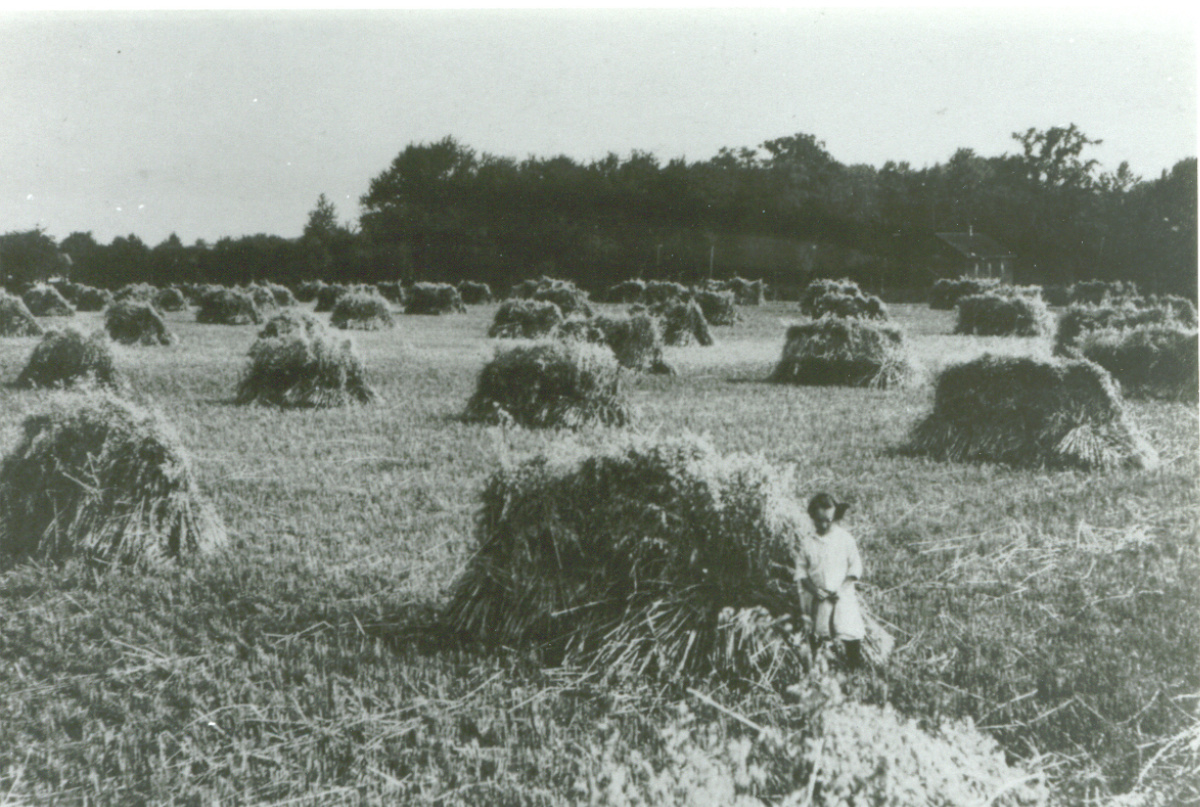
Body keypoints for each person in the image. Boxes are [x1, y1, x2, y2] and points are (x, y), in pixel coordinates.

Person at [796, 493, 865, 669]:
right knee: (819, 633)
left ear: (834, 518)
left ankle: (854, 668)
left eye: (828, 520)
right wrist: (813, 589)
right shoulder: (808, 542)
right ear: (812, 518)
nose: (824, 524)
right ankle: (819, 671)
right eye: (819, 520)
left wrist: (841, 589)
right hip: (818, 597)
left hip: (842, 595)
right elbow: (801, 571)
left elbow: (855, 567)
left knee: (849, 631)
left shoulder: (845, 539)